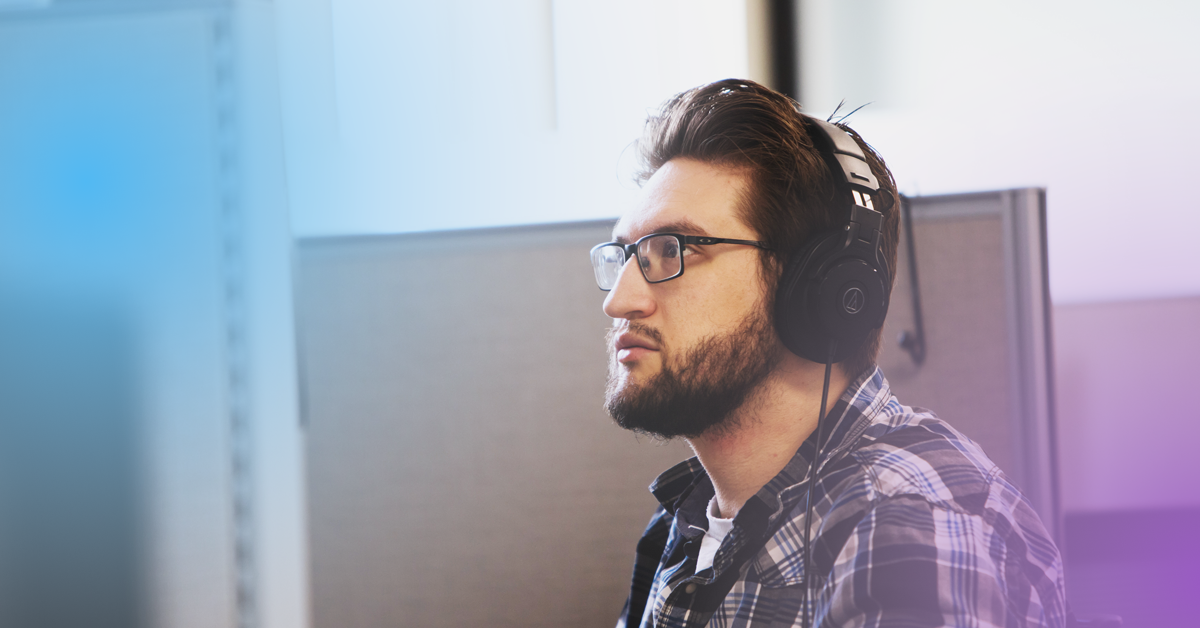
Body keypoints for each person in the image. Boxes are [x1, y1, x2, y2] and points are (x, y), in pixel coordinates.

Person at [590, 79, 1066, 628]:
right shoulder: (686, 522)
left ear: (818, 290)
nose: (620, 301)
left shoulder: (904, 523)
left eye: (674, 249)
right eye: (625, 256)